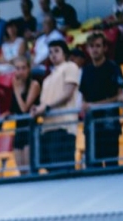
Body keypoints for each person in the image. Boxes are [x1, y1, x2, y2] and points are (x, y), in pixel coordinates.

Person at [31, 40, 80, 172]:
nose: (53, 55)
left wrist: (46, 107)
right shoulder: (47, 79)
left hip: (64, 126)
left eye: (57, 51)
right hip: (48, 129)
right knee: (51, 172)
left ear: (65, 53)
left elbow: (67, 94)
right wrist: (37, 109)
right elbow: (44, 103)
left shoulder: (70, 67)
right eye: (50, 52)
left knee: (64, 171)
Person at [80, 32, 123, 168]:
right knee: (93, 166)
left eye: (98, 46)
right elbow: (83, 95)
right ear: (87, 49)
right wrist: (85, 105)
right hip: (91, 125)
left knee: (111, 165)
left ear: (105, 48)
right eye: (91, 46)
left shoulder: (113, 68)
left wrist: (95, 105)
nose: (94, 49)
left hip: (109, 123)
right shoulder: (86, 71)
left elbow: (119, 96)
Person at [9, 55, 42, 173]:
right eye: (17, 68)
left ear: (28, 69)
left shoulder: (34, 85)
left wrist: (16, 90)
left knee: (29, 168)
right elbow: (15, 109)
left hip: (30, 129)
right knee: (21, 170)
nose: (20, 71)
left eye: (23, 68)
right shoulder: (17, 85)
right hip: (19, 129)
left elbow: (24, 108)